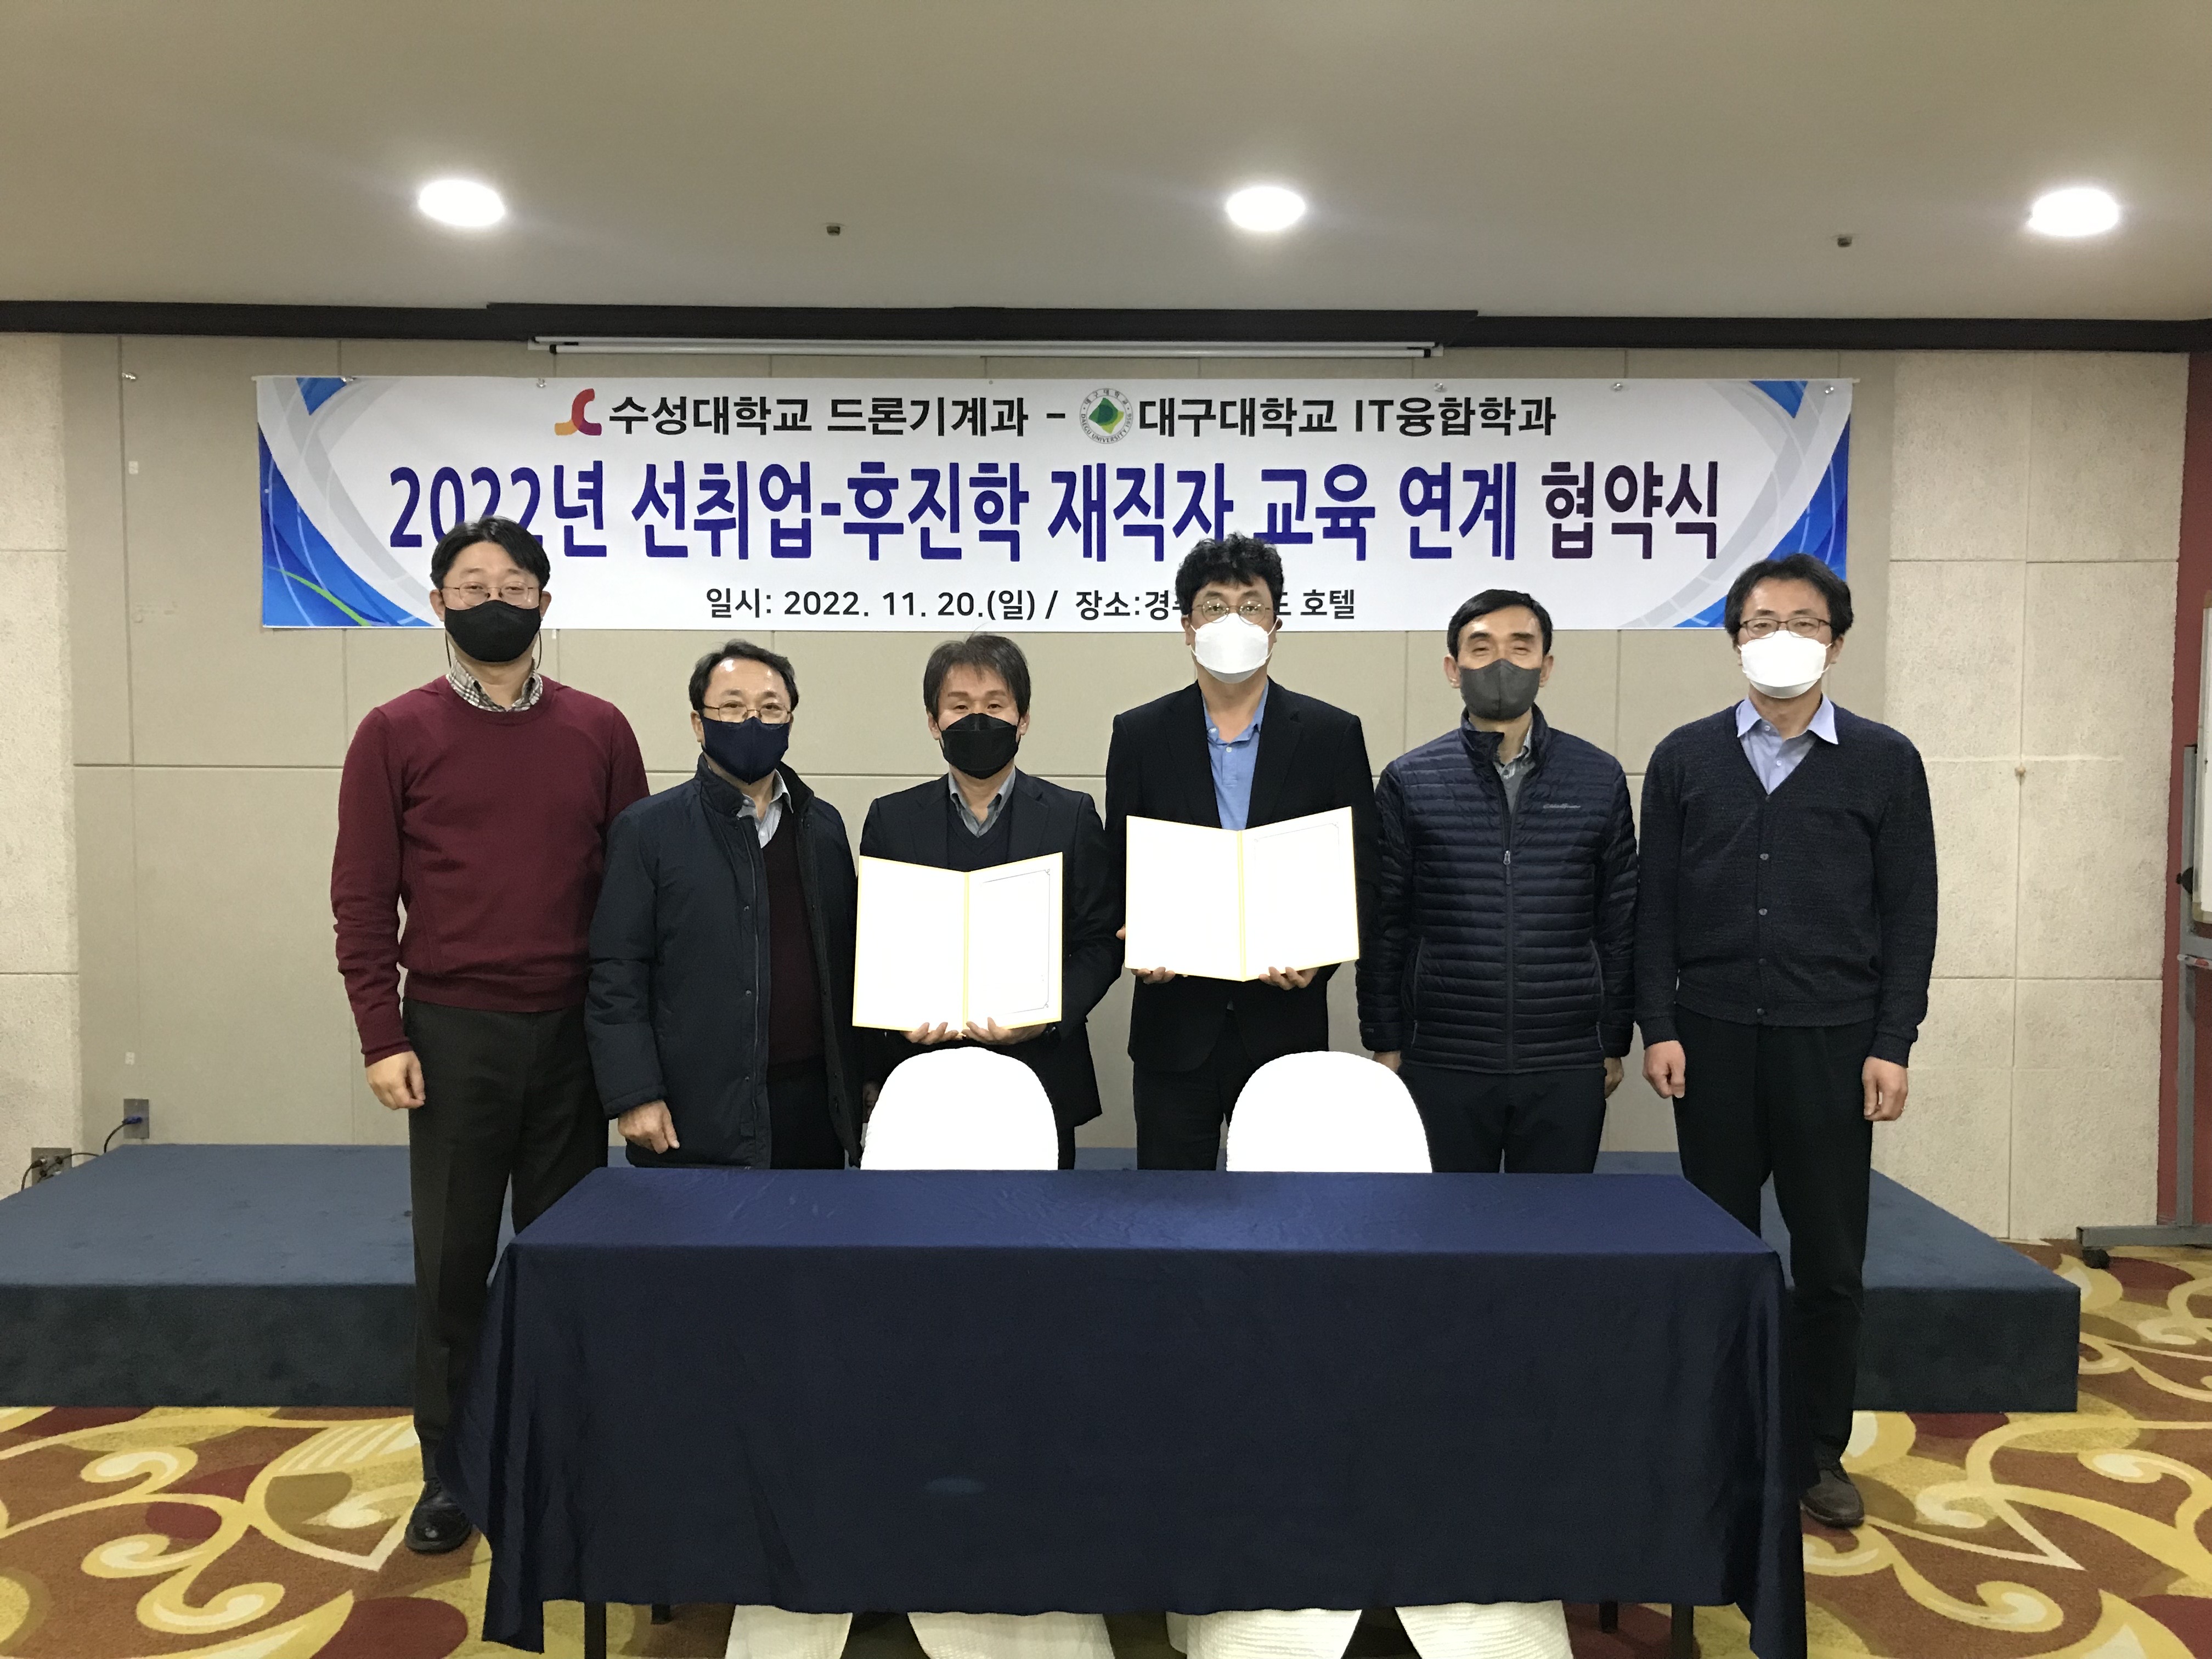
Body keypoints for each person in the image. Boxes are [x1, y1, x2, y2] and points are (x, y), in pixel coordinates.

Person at [331, 516, 648, 1555]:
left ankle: (562, 1453)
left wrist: (628, 1044)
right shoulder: (393, 731)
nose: (494, 600)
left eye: (514, 584)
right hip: (452, 1034)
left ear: (545, 601)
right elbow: (362, 896)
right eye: (471, 585)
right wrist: (381, 1033)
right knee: (453, 1265)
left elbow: (633, 898)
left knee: (566, 1262)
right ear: (438, 604)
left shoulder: (600, 729)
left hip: (572, 1034)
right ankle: (450, 1472)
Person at [1636, 552, 1937, 1531]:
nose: (1781, 639)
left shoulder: (1885, 760)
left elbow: (1911, 913)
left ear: (1835, 644)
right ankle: (1717, 1434)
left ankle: (1816, 1450)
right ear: (1734, 640)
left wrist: (1893, 1040)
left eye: (1803, 623)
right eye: (1761, 622)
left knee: (1830, 1262)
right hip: (1711, 1039)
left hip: (1833, 1045)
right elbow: (1653, 909)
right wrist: (1659, 1023)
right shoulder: (1684, 757)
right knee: (1716, 1251)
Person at [1104, 534, 1379, 1170]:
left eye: (1251, 606)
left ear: (1276, 627)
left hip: (1285, 1023)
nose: (1234, 621)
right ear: (1187, 627)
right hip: (1175, 1027)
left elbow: (1362, 874)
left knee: (1284, 1211)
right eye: (1215, 606)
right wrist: (1137, 939)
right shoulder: (1140, 734)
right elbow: (1119, 865)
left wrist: (1322, 958)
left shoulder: (1331, 735)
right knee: (1171, 1211)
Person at [1359, 590, 1636, 1172]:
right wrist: (1385, 1039)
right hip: (1443, 1056)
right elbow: (1385, 923)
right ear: (1453, 668)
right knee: (1448, 1222)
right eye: (1481, 649)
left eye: (1521, 647)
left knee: (1555, 1222)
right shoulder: (1411, 780)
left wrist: (1612, 1040)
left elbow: (1619, 922)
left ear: (1546, 666)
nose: (1502, 663)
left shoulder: (1598, 777)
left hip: (1565, 1058)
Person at [587, 639, 862, 1171]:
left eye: (770, 708)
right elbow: (616, 972)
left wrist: (861, 1078)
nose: (753, 721)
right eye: (732, 707)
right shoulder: (648, 831)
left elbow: (847, 962)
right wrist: (635, 1093)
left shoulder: (822, 826)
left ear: (790, 720)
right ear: (699, 723)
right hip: (695, 1109)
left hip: (812, 1108)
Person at [860, 635, 1121, 1169]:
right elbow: (872, 944)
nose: (977, 720)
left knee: (1039, 1220)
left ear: (1023, 719)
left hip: (1041, 1074)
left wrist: (1045, 1019)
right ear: (933, 722)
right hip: (919, 1074)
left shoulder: (1070, 816)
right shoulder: (892, 820)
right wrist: (893, 1020)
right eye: (959, 707)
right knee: (919, 1219)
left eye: (995, 705)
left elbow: (1100, 944)